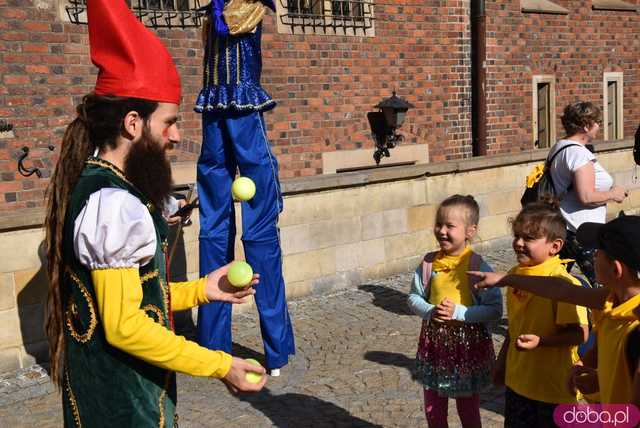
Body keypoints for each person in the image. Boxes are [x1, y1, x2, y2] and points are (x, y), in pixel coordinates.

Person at [44, 1, 266, 426]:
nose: (177, 135)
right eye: (169, 122)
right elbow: (125, 325)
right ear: (133, 123)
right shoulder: (114, 205)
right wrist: (221, 365)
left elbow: (135, 297)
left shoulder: (107, 188)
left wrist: (203, 290)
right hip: (122, 409)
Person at [195, 0, 295, 376]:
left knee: (252, 235)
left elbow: (234, 23)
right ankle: (218, 346)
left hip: (232, 114)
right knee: (223, 233)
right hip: (223, 117)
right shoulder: (224, 9)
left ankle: (270, 348)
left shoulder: (244, 8)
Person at [470, 214, 640, 405]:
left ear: (616, 269)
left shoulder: (634, 329)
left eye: (598, 251)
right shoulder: (611, 300)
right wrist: (505, 279)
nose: (593, 255)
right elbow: (561, 290)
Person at [485, 200, 588, 427]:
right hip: (518, 383)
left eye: (529, 238)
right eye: (517, 236)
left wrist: (542, 342)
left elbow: (580, 334)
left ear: (555, 246)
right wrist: (502, 363)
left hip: (552, 390)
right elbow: (514, 327)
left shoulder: (564, 283)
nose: (519, 243)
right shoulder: (515, 274)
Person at [408, 195, 502, 427]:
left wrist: (460, 312)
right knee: (433, 408)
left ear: (470, 231)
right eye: (439, 224)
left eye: (450, 226)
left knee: (468, 409)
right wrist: (429, 311)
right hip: (435, 348)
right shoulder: (429, 264)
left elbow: (494, 309)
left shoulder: (477, 267)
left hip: (467, 349)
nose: (441, 230)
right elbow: (413, 297)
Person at [547, 101, 627, 285]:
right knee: (606, 283)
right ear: (586, 125)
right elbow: (587, 196)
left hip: (565, 225)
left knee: (554, 280)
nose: (599, 126)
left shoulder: (560, 146)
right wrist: (614, 194)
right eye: (597, 122)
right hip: (582, 231)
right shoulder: (579, 154)